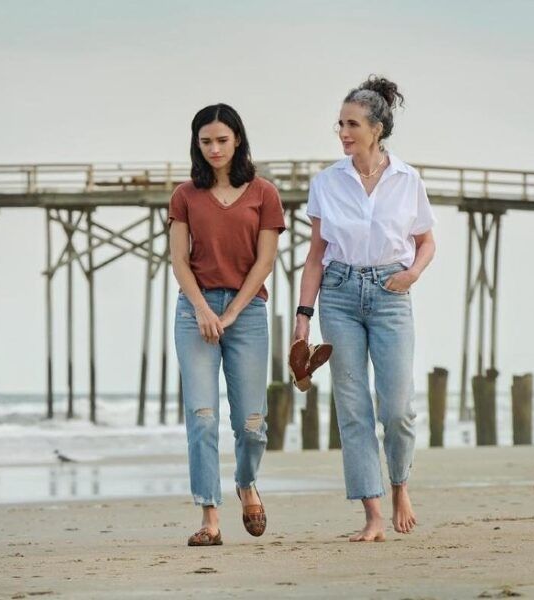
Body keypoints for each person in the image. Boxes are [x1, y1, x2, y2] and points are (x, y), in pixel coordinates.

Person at [293, 76, 436, 542]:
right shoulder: (327, 183)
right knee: (352, 408)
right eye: (340, 124)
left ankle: (400, 486)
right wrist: (302, 318)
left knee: (396, 407)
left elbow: (427, 242)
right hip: (338, 292)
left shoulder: (407, 179)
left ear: (377, 128)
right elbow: (315, 256)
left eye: (352, 124)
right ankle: (372, 514)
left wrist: (412, 275)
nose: (343, 132)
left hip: (391, 293)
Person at [168, 103, 285, 546]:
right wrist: (201, 308)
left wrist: (232, 311)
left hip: (247, 311)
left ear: (237, 139)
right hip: (194, 309)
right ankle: (209, 517)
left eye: (221, 139)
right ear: (196, 145)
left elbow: (266, 259)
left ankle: (246, 482)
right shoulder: (185, 195)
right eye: (205, 141)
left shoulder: (263, 193)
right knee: (201, 417)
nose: (214, 148)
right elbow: (179, 259)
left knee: (252, 424)